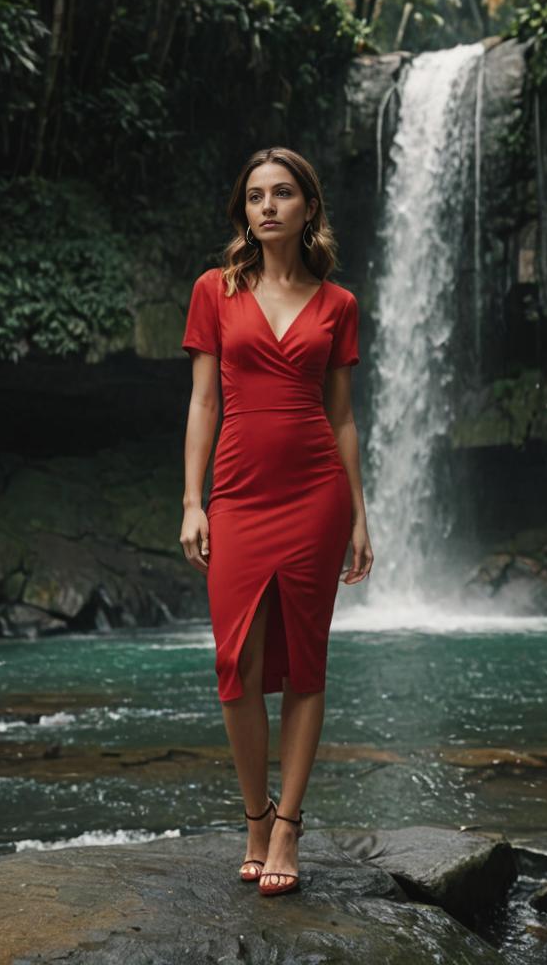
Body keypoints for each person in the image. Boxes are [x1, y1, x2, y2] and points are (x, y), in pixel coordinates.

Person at [179, 146, 373, 897]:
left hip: (316, 496)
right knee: (238, 669)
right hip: (239, 492)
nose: (266, 206)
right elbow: (203, 401)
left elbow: (344, 420)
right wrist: (193, 500)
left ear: (307, 208)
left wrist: (359, 516)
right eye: (255, 195)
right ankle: (254, 815)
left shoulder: (339, 305)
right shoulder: (214, 290)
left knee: (307, 663)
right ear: (244, 211)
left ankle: (287, 825)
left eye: (282, 193)